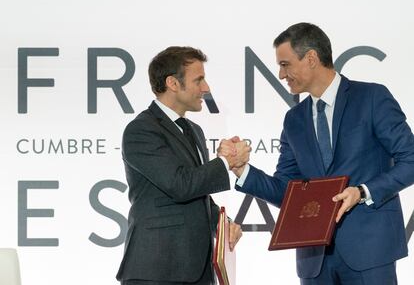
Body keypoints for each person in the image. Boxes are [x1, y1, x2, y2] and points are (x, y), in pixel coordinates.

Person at [227, 23, 414, 284]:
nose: (281, 74)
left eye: (285, 64)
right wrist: (242, 170)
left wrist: (362, 192)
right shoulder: (293, 120)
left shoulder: (372, 97)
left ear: (312, 58)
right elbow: (287, 191)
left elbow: (410, 160)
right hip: (314, 261)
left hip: (370, 252)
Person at [116, 46, 249, 285]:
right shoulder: (141, 130)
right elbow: (180, 185)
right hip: (156, 271)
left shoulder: (194, 130)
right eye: (198, 80)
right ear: (172, 83)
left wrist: (223, 225)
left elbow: (198, 195)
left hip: (197, 271)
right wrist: (226, 162)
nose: (206, 88)